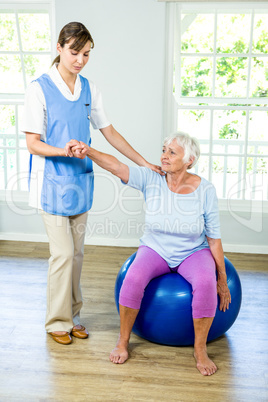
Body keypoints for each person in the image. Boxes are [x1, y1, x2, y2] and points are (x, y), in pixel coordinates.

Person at [22, 21, 162, 345]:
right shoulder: (38, 88)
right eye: (75, 52)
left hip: (80, 183)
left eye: (86, 54)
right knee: (62, 255)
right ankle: (56, 321)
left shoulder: (88, 89)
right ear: (59, 48)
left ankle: (73, 316)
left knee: (78, 254)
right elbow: (33, 143)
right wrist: (65, 150)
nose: (80, 60)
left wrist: (144, 163)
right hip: (51, 183)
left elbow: (109, 133)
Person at [70, 131, 231, 375]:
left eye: (172, 152)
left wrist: (222, 279)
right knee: (132, 279)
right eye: (164, 150)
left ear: (190, 160)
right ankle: (122, 342)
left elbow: (214, 239)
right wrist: (88, 150)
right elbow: (116, 166)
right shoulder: (152, 178)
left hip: (193, 252)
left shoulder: (205, 190)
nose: (164, 156)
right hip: (155, 248)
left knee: (206, 283)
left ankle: (200, 350)